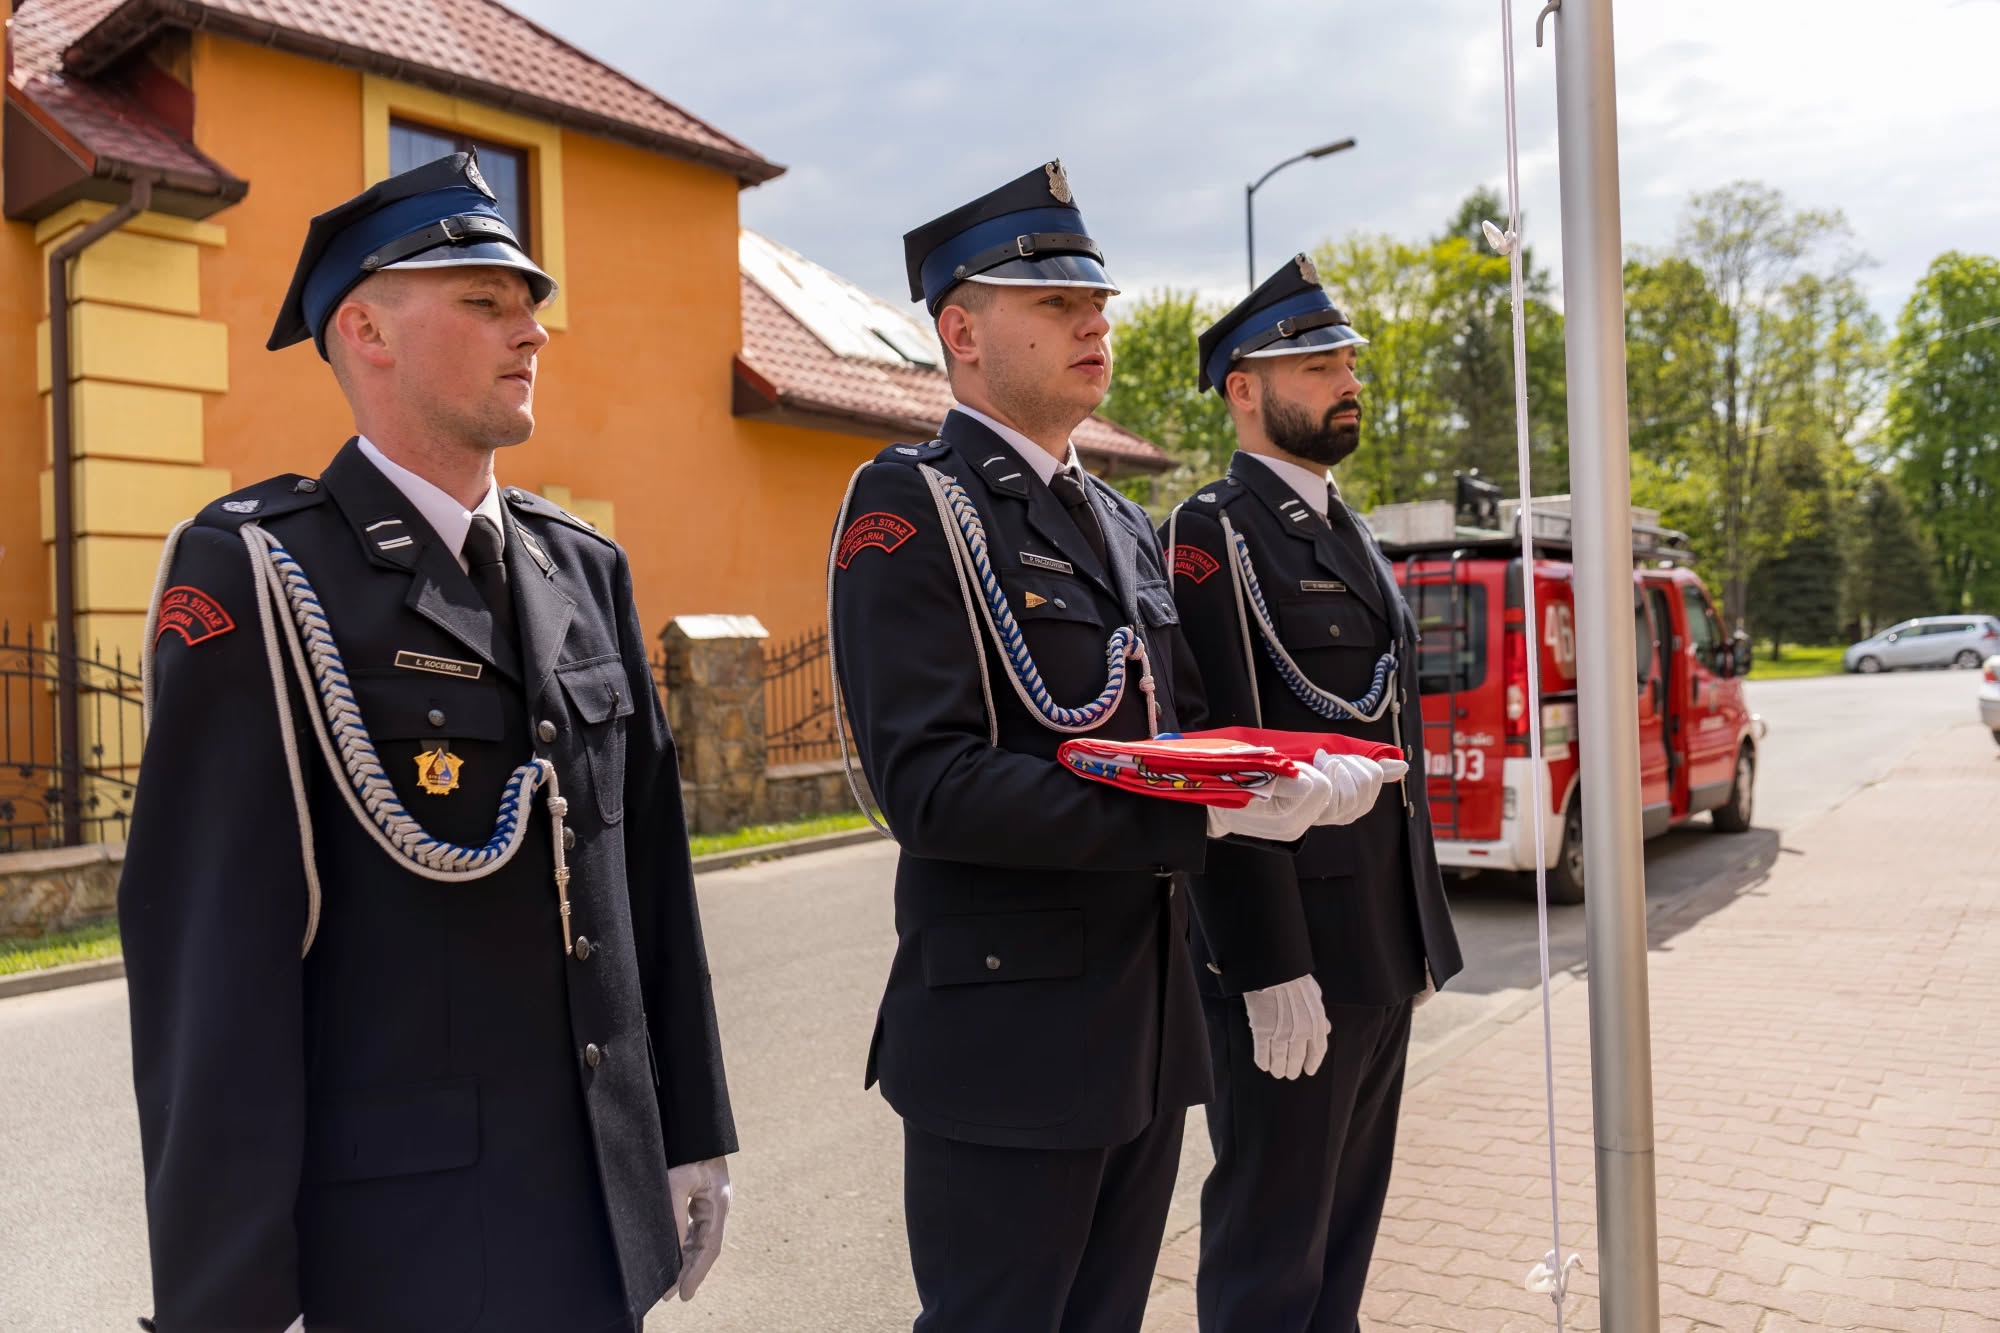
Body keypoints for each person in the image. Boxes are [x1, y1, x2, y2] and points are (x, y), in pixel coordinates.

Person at [118, 152, 734, 1333]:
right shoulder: (261, 572)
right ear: (365, 331)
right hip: (400, 1246)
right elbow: (211, 965)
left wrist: (688, 1131)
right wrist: (228, 1299)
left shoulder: (581, 567)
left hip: (598, 1225)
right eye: (484, 302)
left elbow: (648, 880)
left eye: (529, 304)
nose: (531, 331)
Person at [828, 164, 1393, 1333]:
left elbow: (1179, 744)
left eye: (1095, 301)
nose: (1093, 322)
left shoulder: (1123, 526)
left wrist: (1263, 794)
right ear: (960, 333)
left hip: (1145, 1027)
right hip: (1007, 1036)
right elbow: (930, 786)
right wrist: (1198, 813)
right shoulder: (912, 506)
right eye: (1053, 303)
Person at [1163, 255, 1465, 1332]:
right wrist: (1264, 962)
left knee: (1341, 1244)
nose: (1348, 380)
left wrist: (1415, 931)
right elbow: (1222, 761)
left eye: (1347, 361)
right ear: (1243, 389)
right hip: (1294, 960)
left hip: (1377, 944)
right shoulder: (1213, 534)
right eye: (1318, 365)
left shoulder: (1350, 532)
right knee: (1269, 1253)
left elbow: (1388, 743)